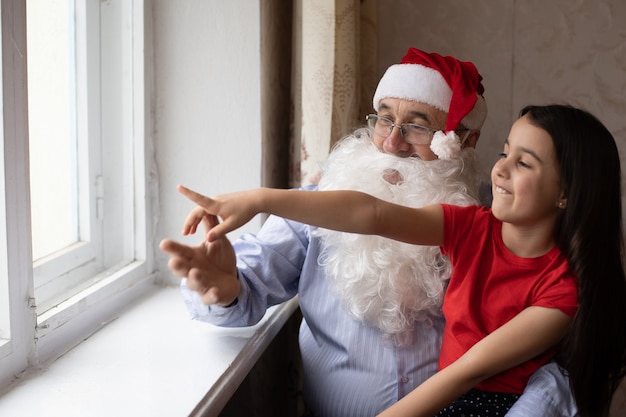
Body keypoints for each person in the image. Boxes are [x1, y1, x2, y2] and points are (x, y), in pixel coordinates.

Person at [160, 48, 577, 416]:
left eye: (417, 126)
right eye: (384, 120)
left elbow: (549, 356)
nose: (392, 143)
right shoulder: (315, 204)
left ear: (465, 141)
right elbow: (250, 281)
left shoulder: (494, 220)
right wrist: (222, 287)